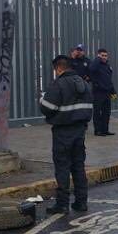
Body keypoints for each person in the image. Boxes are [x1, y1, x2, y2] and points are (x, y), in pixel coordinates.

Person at [41, 54, 93, 215]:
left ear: (58, 68)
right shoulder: (84, 84)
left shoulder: (59, 84)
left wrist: (42, 99)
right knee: (78, 167)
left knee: (62, 167)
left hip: (63, 131)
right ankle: (81, 202)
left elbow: (47, 107)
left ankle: (62, 204)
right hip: (80, 131)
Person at [88, 48, 117, 136]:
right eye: (102, 56)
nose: (104, 57)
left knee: (106, 112)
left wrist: (113, 91)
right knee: (97, 112)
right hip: (98, 93)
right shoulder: (96, 64)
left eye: (106, 56)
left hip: (107, 92)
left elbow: (109, 80)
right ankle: (98, 131)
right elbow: (91, 69)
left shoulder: (107, 66)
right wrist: (98, 59)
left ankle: (105, 130)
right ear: (98, 55)